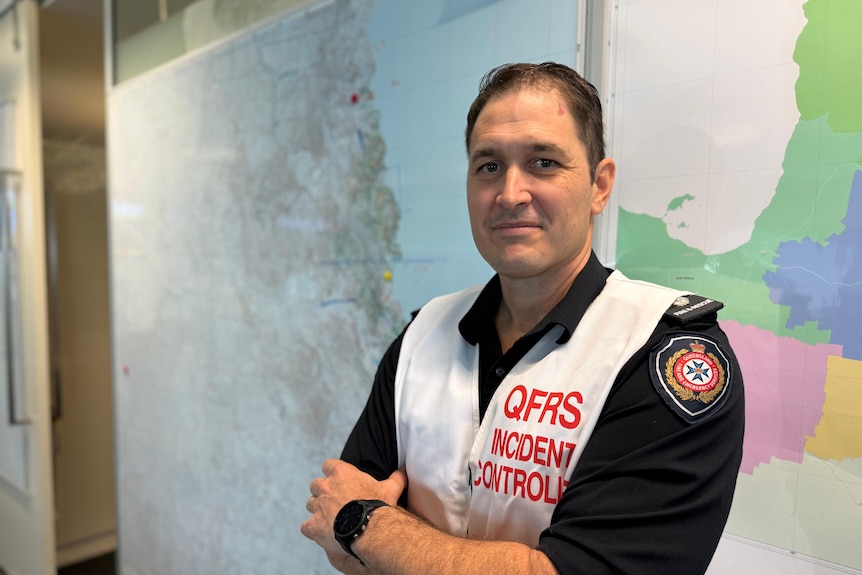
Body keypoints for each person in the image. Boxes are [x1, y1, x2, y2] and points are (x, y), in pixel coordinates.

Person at [301, 62, 745, 574]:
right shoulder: (423, 336)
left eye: (543, 163)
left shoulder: (662, 356)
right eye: (488, 166)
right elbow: (338, 545)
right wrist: (369, 535)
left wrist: (366, 524)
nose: (510, 194)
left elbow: (349, 526)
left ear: (600, 186)